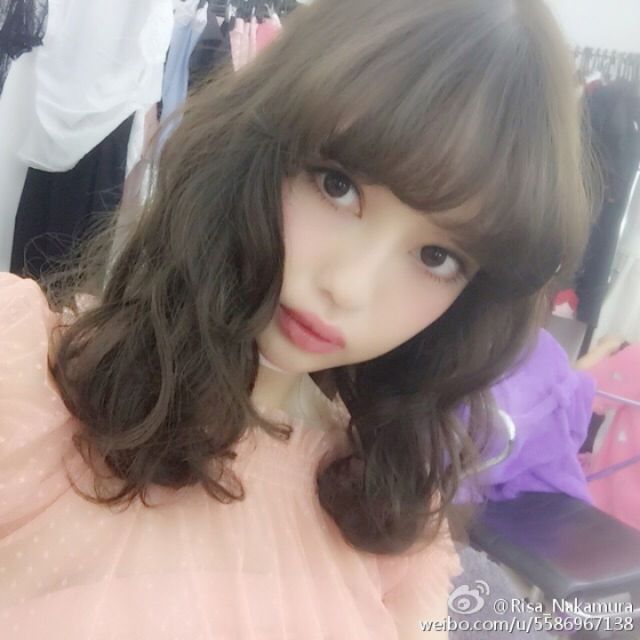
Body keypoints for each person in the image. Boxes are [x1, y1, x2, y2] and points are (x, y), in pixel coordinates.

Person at [0, 0, 593, 637]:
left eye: (436, 257)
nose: (347, 286)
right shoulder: (28, 383)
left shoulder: (383, 519)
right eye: (337, 185)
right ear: (258, 147)